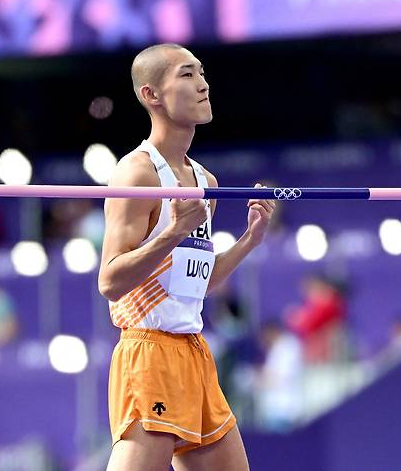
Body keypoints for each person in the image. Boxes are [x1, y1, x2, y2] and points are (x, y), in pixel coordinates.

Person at [98, 43, 276, 471]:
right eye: (186, 75)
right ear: (151, 95)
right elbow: (110, 280)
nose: (203, 84)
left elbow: (195, 283)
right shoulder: (137, 174)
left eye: (202, 73)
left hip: (194, 352)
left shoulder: (204, 181)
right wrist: (175, 230)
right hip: (150, 353)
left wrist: (248, 241)